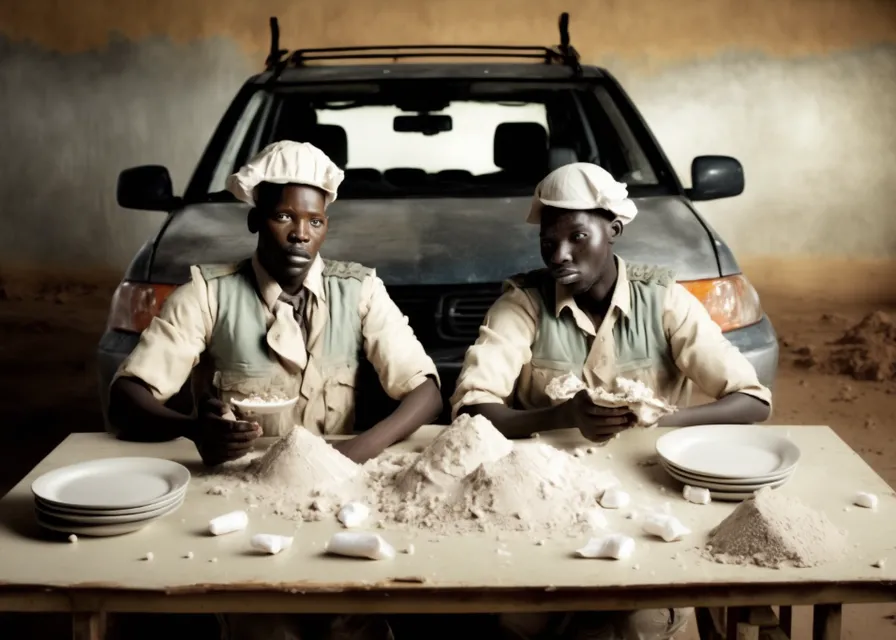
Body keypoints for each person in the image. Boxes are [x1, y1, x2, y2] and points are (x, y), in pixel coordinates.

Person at [108, 140, 442, 640]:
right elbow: (127, 398)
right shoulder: (207, 293)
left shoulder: (360, 291)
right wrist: (194, 430)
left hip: (338, 495)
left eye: (314, 222)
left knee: (352, 623)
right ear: (254, 220)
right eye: (283, 217)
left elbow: (426, 392)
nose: (300, 236)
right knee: (266, 624)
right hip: (242, 498)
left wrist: (356, 452)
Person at [450, 162, 772, 640]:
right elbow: (472, 409)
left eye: (578, 237)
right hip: (544, 512)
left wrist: (660, 421)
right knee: (519, 619)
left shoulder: (663, 301)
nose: (559, 255)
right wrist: (562, 416)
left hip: (651, 512)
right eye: (548, 241)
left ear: (614, 230)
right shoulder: (523, 305)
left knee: (625, 621)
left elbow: (752, 400)